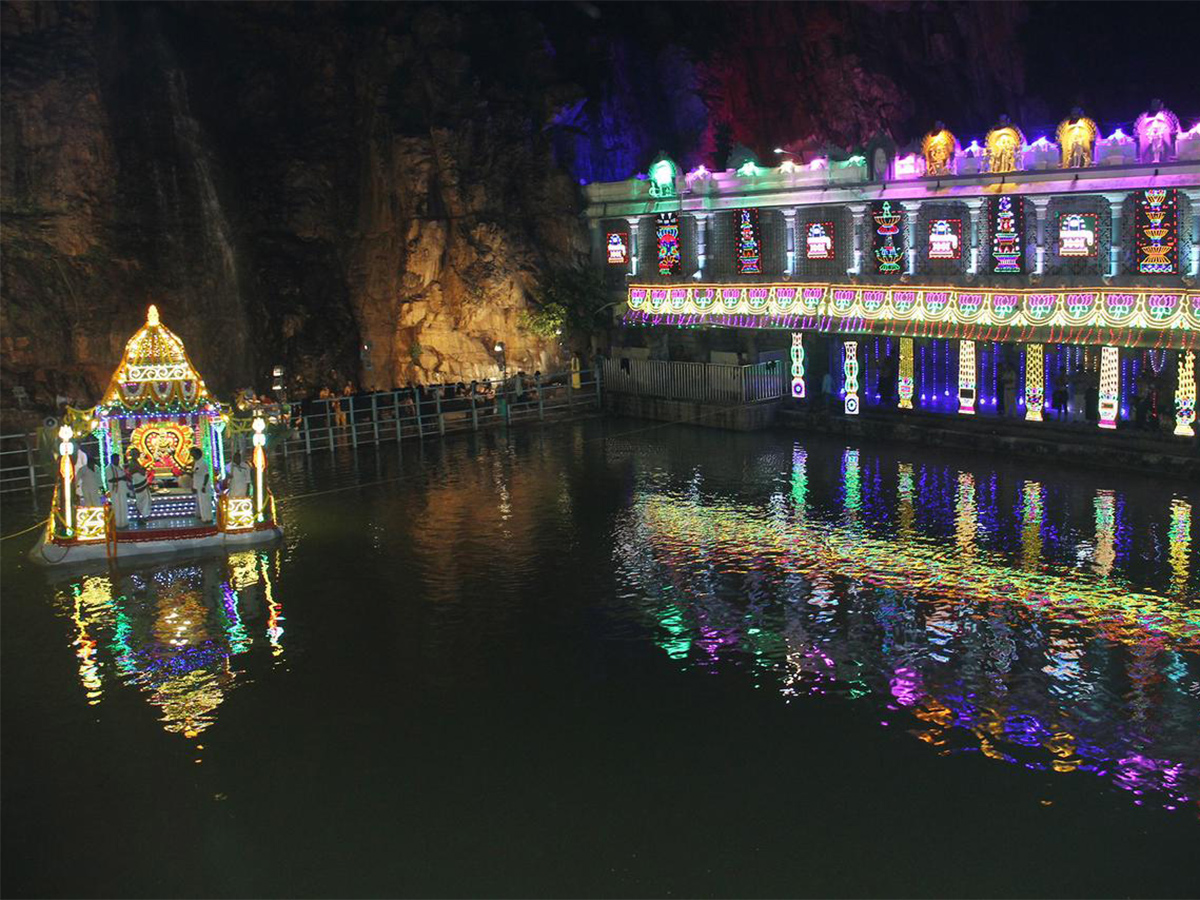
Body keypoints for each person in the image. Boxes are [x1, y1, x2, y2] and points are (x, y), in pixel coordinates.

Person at [189, 447, 214, 523]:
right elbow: (195, 474)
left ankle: (207, 518)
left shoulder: (203, 463)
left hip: (203, 486)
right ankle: (201, 515)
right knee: (200, 502)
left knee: (205, 502)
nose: (192, 456)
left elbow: (206, 475)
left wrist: (204, 486)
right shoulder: (197, 462)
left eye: (193, 454)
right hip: (198, 485)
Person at [127, 451, 152, 526]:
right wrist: (141, 470)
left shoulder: (136, 462)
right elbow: (134, 471)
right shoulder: (132, 463)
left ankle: (143, 516)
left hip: (141, 483)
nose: (137, 455)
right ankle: (140, 518)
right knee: (140, 501)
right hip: (138, 484)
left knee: (144, 500)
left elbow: (141, 470)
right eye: (136, 454)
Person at [109, 453, 132, 529]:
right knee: (117, 508)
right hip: (115, 492)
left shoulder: (119, 468)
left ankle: (124, 523)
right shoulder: (109, 468)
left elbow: (124, 477)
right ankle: (117, 525)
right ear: (112, 459)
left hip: (122, 491)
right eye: (116, 459)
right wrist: (122, 478)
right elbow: (110, 480)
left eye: (118, 459)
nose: (118, 461)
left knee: (123, 508)